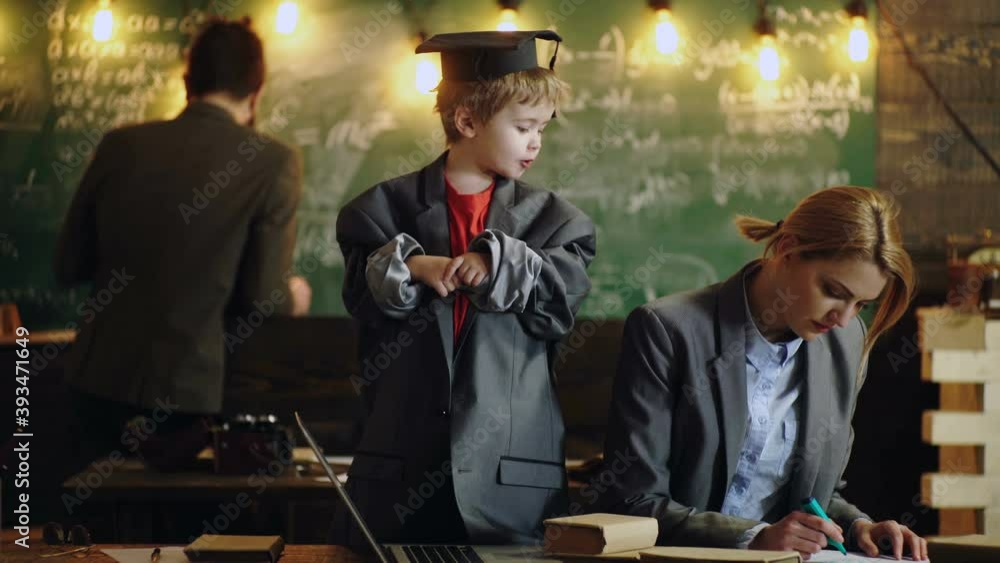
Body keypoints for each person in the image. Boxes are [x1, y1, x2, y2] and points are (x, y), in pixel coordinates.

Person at [334, 31, 596, 545]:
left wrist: (497, 261)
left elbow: (557, 307)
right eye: (523, 127)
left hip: (512, 483)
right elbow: (363, 299)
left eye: (543, 128)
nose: (536, 141)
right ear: (468, 121)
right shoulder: (377, 213)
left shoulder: (559, 224)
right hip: (398, 476)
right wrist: (409, 267)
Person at [601, 187, 928, 561]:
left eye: (862, 305)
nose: (843, 319)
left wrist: (858, 528)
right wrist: (754, 537)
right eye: (834, 291)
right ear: (787, 249)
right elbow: (632, 501)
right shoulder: (667, 331)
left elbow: (818, 498)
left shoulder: (846, 344)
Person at [54, 17, 310, 474]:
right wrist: (295, 294)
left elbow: (68, 264)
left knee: (84, 540)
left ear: (187, 80)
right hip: (188, 404)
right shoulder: (273, 161)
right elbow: (262, 298)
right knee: (174, 544)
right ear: (257, 89)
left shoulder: (120, 144)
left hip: (92, 380)